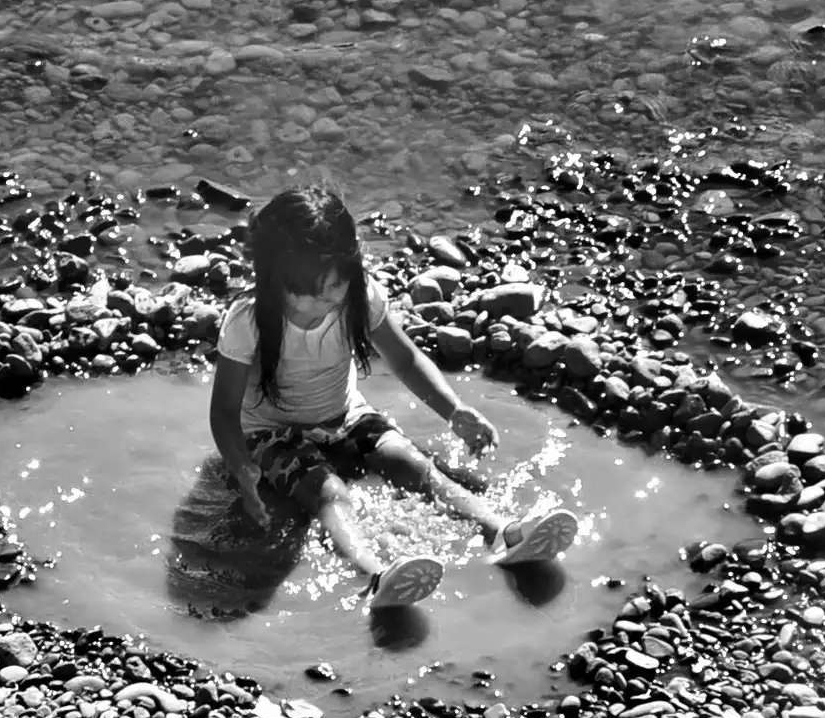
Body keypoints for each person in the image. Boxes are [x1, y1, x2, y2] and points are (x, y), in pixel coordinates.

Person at [209, 186, 579, 609]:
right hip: (273, 432)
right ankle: (376, 578)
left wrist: (454, 411)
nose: (329, 298)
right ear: (276, 281)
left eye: (338, 284)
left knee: (414, 464)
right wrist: (241, 467)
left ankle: (506, 532)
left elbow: (405, 359)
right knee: (328, 492)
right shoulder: (248, 321)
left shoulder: (357, 298)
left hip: (346, 415)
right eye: (314, 291)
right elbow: (223, 412)